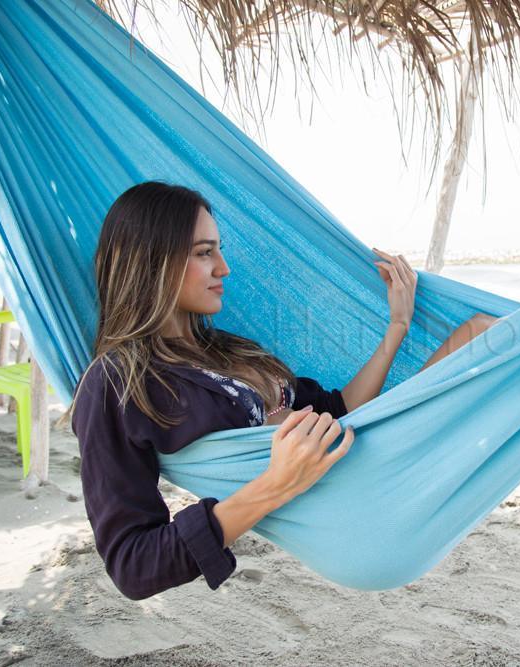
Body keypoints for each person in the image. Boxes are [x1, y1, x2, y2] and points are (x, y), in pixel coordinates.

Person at [70, 181, 498, 600]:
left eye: (219, 250)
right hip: (358, 507)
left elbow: (341, 409)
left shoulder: (225, 349)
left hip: (374, 461)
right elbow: (133, 566)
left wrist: (397, 327)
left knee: (485, 332)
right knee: (493, 338)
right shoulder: (117, 383)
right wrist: (277, 484)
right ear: (152, 261)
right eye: (204, 253)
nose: (224, 268)